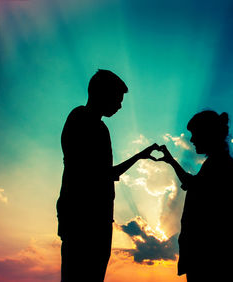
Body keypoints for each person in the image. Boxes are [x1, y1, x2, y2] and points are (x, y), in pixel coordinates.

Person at [56, 69, 158, 281]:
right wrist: (140, 156)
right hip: (82, 218)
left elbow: (105, 174)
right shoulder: (81, 119)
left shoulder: (100, 128)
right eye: (118, 99)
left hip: (97, 218)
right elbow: (98, 174)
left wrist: (140, 155)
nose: (120, 106)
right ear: (102, 94)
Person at [157, 110, 233, 282]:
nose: (192, 140)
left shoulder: (220, 166)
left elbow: (193, 188)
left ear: (208, 134)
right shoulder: (218, 165)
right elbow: (192, 185)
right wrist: (171, 161)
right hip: (213, 257)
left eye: (195, 134)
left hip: (212, 260)